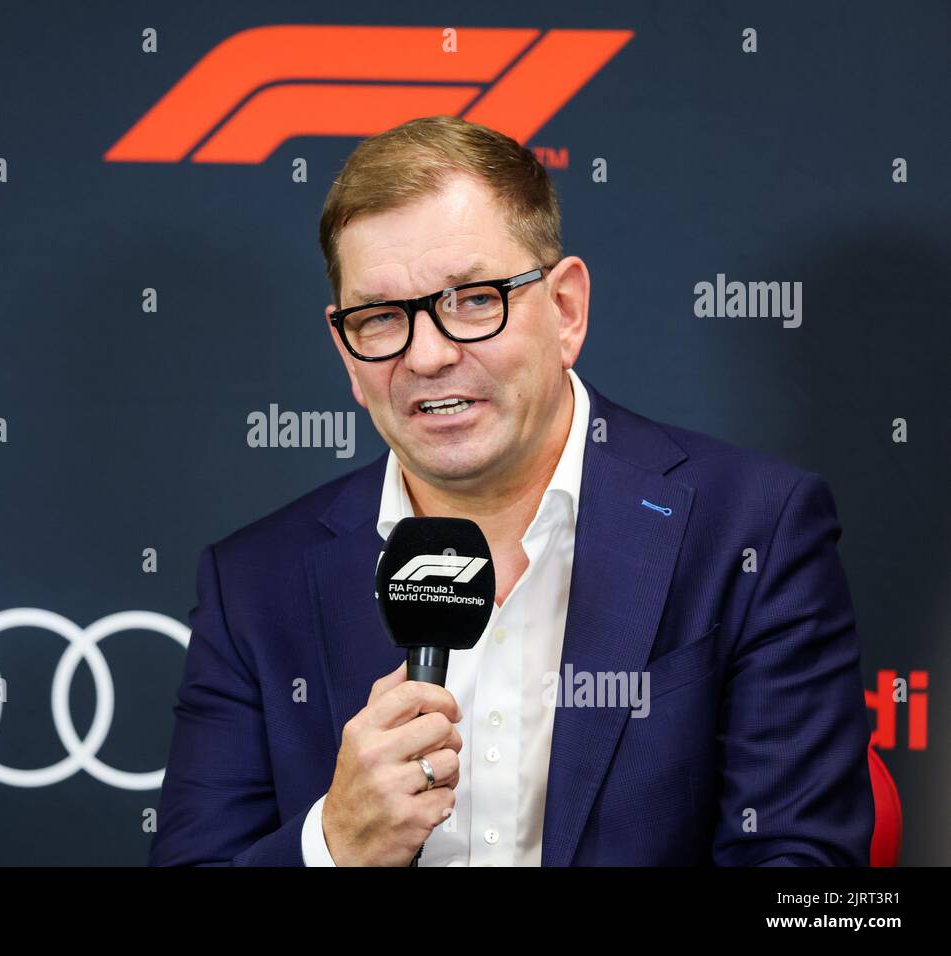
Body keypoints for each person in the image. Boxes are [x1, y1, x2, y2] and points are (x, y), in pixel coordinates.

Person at [148, 115, 873, 866]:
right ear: (346, 350)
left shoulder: (752, 529)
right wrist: (333, 847)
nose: (427, 356)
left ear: (565, 310)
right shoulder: (254, 584)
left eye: (472, 299)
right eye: (382, 317)